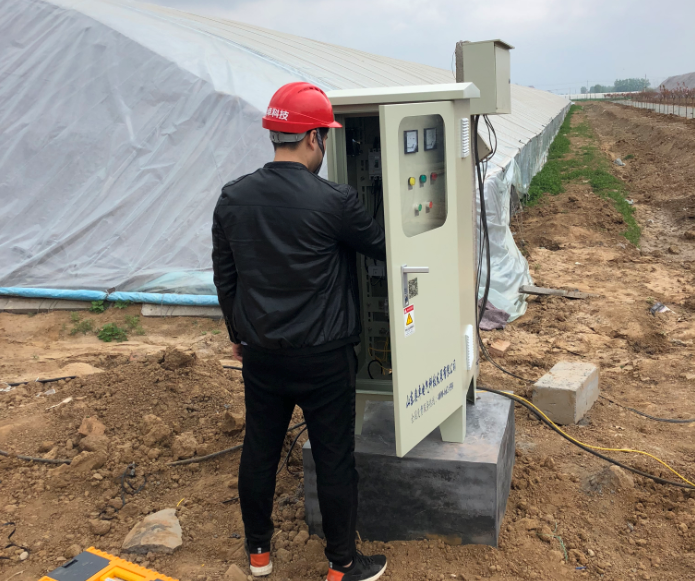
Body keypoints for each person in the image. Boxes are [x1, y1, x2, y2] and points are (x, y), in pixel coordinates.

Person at [212, 82, 388, 581]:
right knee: (334, 459)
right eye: (325, 136)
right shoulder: (335, 200)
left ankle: (259, 554)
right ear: (313, 137)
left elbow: (226, 276)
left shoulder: (233, 197)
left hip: (262, 355)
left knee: (259, 451)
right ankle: (342, 565)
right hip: (324, 358)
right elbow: (381, 245)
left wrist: (238, 333)